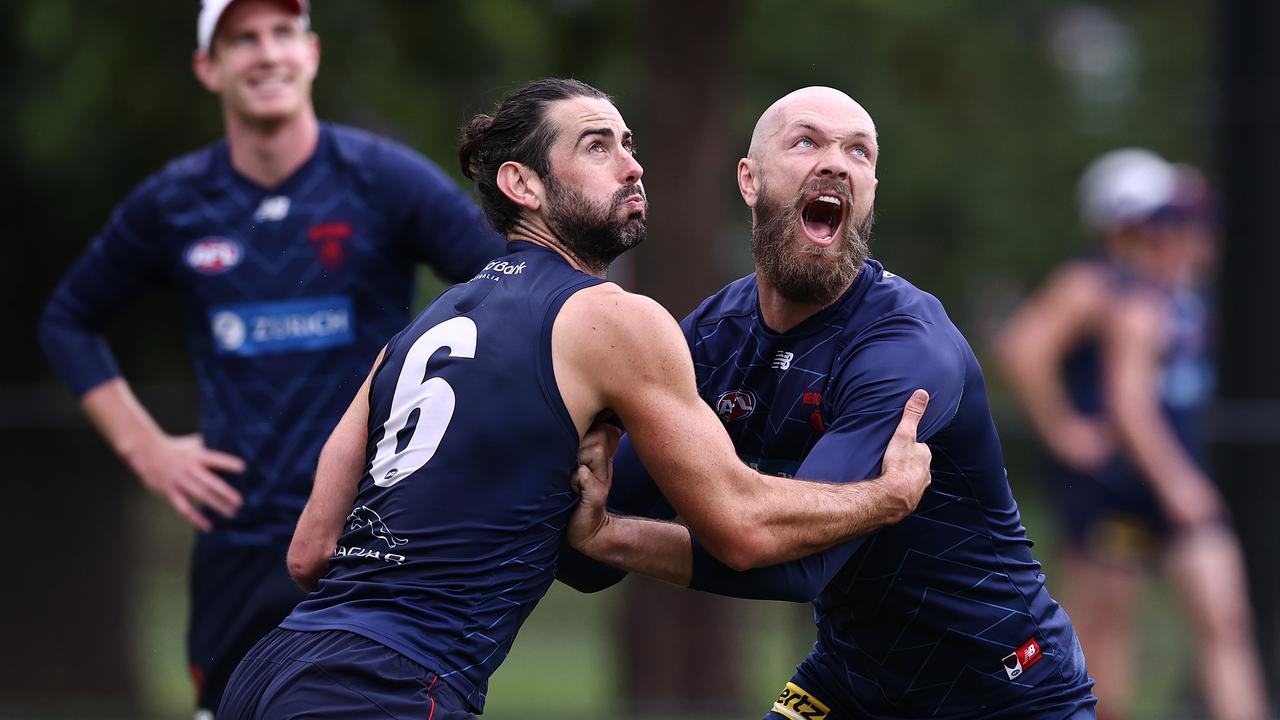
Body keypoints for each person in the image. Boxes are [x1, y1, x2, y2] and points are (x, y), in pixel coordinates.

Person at [216, 77, 935, 719]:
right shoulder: (613, 316)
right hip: (385, 687)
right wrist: (883, 498)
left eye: (629, 143)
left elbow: (311, 554)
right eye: (598, 147)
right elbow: (742, 525)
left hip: (272, 668)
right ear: (522, 186)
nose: (633, 165)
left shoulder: (412, 335)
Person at [559, 86, 1097, 719]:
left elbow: (796, 567)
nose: (837, 163)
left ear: (869, 193)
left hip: (1005, 691)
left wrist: (613, 539)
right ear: (750, 180)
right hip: (850, 683)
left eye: (859, 152)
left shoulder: (905, 348)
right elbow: (590, 540)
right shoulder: (713, 336)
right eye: (808, 141)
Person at [36, 0, 507, 715]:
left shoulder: (384, 180)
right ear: (208, 67)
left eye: (282, 34)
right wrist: (147, 449)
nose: (266, 53)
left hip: (367, 544)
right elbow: (68, 320)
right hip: (238, 544)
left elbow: (512, 285)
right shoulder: (175, 202)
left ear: (311, 52)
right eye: (242, 39)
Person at [997, 151, 1268, 720]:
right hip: (1116, 485)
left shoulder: (1169, 283)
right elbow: (1025, 348)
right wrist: (1064, 428)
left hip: (1167, 474)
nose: (1167, 232)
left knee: (1223, 615)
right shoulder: (1095, 284)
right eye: (1155, 219)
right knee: (1103, 631)